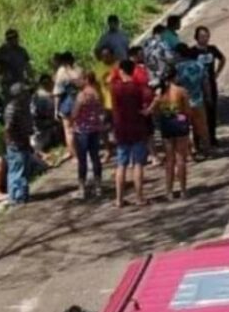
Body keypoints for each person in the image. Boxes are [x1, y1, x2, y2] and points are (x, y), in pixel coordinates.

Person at [110, 60, 153, 207]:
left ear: (121, 70)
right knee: (138, 164)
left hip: (121, 129)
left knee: (121, 164)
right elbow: (147, 100)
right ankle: (139, 197)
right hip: (137, 127)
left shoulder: (114, 88)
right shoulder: (138, 88)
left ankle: (119, 199)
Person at [148, 76, 193, 200]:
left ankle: (169, 191)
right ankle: (183, 190)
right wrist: (183, 118)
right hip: (180, 124)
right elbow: (188, 111)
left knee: (169, 160)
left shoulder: (160, 93)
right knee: (181, 159)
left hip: (167, 125)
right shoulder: (181, 91)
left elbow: (154, 111)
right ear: (174, 77)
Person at [71, 71, 104, 199]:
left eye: (79, 79)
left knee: (82, 160)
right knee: (95, 158)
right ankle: (98, 187)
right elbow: (101, 110)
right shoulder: (96, 93)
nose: (78, 82)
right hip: (94, 129)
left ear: (86, 79)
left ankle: (82, 189)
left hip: (81, 131)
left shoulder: (82, 95)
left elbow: (74, 113)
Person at [193, 27, 226, 148]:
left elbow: (222, 59)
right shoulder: (193, 51)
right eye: (202, 36)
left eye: (206, 36)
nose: (205, 39)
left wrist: (217, 73)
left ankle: (212, 137)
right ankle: (198, 140)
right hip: (198, 86)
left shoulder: (212, 49)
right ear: (196, 37)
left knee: (211, 111)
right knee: (198, 113)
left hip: (211, 84)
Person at [175, 43, 210, 155]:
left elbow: (174, 85)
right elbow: (205, 83)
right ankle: (206, 147)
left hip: (181, 104)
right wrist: (208, 96)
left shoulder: (177, 68)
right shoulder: (199, 65)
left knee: (184, 127)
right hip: (198, 100)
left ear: (179, 54)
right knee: (202, 125)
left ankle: (191, 149)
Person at [4, 83, 34, 204]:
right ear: (18, 95)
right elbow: (7, 128)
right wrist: (11, 142)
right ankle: (17, 197)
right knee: (17, 170)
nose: (26, 95)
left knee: (24, 169)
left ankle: (23, 195)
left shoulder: (21, 107)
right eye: (24, 93)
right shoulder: (12, 108)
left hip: (23, 142)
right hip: (16, 145)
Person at [53, 52, 83, 161]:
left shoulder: (61, 73)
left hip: (66, 102)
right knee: (80, 127)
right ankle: (84, 150)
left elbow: (57, 92)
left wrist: (56, 109)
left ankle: (75, 155)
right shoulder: (78, 70)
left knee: (68, 130)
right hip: (79, 101)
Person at [0, 28, 31, 95]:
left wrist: (29, 77)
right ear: (7, 39)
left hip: (20, 81)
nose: (13, 40)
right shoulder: (2, 51)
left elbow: (27, 65)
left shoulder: (22, 51)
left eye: (15, 37)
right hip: (8, 83)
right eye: (10, 38)